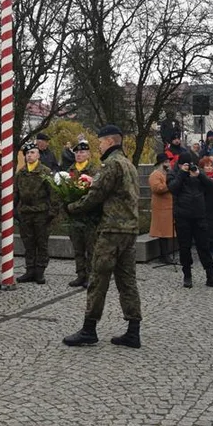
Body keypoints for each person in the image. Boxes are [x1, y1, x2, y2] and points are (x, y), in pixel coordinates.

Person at [63, 125, 144, 347]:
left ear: (109, 141)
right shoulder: (129, 164)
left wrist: (72, 207)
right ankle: (133, 331)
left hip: (111, 231)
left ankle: (89, 329)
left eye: (100, 142)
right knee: (127, 281)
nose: (98, 145)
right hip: (129, 230)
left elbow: (96, 195)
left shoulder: (112, 165)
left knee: (98, 279)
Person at [167, 151, 213, 289]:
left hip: (199, 214)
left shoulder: (197, 172)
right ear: (180, 164)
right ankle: (187, 275)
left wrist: (199, 175)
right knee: (185, 247)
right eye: (186, 164)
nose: (189, 166)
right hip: (182, 215)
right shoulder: (173, 172)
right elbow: (173, 188)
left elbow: (211, 186)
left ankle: (211, 276)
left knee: (204, 246)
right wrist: (182, 173)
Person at [14, 143, 57, 284]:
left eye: (32, 152)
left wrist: (52, 212)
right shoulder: (21, 173)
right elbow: (16, 193)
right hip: (25, 213)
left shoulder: (45, 171)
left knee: (41, 243)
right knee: (28, 243)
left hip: (41, 213)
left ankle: (40, 271)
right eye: (27, 153)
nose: (29, 155)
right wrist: (14, 210)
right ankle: (30, 270)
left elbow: (53, 194)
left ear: (38, 155)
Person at [65, 140, 100, 288]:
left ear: (89, 154)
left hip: (90, 216)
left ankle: (91, 276)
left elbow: (97, 193)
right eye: (77, 152)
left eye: (82, 152)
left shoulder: (95, 170)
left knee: (91, 248)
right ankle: (81, 274)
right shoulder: (69, 171)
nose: (79, 154)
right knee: (78, 248)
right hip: (74, 215)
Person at [147, 154, 175, 262]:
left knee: (166, 232)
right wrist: (170, 185)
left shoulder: (168, 174)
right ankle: (164, 255)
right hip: (161, 207)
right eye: (167, 161)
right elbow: (157, 188)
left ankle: (165, 254)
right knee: (162, 232)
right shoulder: (155, 174)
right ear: (162, 163)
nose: (169, 163)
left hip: (169, 206)